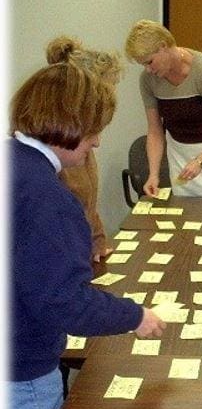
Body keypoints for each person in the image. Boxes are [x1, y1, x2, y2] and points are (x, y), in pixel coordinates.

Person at [9, 62, 167, 409]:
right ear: (70, 124)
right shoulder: (47, 196)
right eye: (94, 130)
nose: (97, 142)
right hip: (21, 369)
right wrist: (135, 315)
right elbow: (65, 303)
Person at [125, 19, 202, 198]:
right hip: (180, 154)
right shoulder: (148, 80)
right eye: (144, 65)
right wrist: (153, 175)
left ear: (163, 46)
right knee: (186, 208)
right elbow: (155, 131)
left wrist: (200, 161)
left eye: (150, 62)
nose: (148, 70)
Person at [46, 35, 122, 262]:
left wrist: (98, 241)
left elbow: (89, 205)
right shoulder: (59, 148)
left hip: (81, 255)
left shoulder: (82, 144)